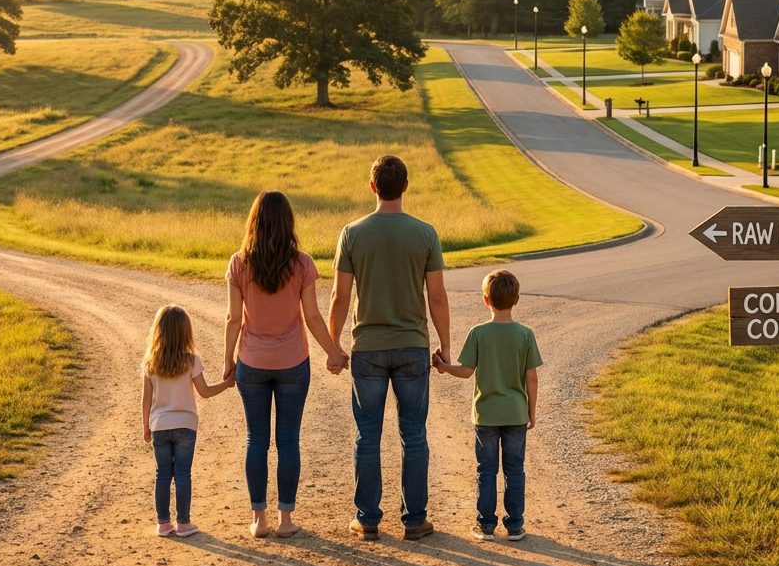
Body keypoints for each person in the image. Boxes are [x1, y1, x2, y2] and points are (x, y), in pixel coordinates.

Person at [330, 155, 449, 541]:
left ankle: (367, 519)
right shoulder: (425, 233)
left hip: (368, 348)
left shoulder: (352, 234)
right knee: (413, 434)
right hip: (413, 346)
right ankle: (414, 520)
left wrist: (334, 346)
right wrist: (445, 347)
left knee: (368, 435)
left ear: (372, 186)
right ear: (406, 186)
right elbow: (438, 298)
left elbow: (339, 297)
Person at [224, 191, 349, 539]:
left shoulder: (238, 263)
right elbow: (311, 316)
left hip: (251, 361)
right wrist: (334, 352)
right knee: (288, 440)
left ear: (254, 223)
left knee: (256, 439)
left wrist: (227, 360)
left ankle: (258, 520)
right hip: (294, 362)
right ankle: (285, 521)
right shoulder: (301, 263)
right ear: (288, 222)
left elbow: (234, 318)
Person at [432, 269, 542, 542]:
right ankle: (515, 525)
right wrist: (531, 410)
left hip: (486, 415)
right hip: (516, 413)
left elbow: (466, 371)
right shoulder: (525, 335)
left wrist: (443, 367)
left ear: (485, 300)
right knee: (515, 470)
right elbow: (532, 377)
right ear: (516, 299)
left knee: (486, 470)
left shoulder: (478, 333)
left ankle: (486, 526)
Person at [141, 305, 235, 538]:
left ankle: (163, 524)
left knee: (163, 474)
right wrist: (227, 383)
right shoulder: (191, 361)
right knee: (182, 473)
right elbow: (204, 392)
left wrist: (146, 424)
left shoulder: (151, 362)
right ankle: (183, 524)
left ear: (158, 331)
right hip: (185, 425)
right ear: (186, 332)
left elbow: (146, 398)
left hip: (160, 425)